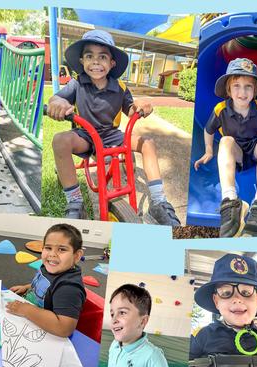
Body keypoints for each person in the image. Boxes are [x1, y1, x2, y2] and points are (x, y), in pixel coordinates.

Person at [47, 30, 179, 226]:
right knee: (60, 140)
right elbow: (57, 97)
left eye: (103, 57)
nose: (96, 61)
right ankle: (75, 202)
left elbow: (131, 110)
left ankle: (159, 201)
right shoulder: (77, 84)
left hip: (111, 135)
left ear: (112, 63)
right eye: (89, 56)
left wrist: (141, 105)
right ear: (82, 61)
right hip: (86, 135)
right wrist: (56, 102)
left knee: (148, 143)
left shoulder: (120, 87)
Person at [194, 58, 257, 237]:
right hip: (236, 153)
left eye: (248, 86)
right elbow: (209, 130)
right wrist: (209, 150)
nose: (242, 92)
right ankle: (230, 201)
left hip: (256, 149)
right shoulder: (220, 109)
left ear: (255, 91)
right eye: (237, 86)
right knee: (225, 141)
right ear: (229, 90)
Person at [7, 223, 86, 338]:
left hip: (44, 332)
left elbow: (64, 328)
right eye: (48, 248)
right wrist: (27, 287)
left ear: (77, 256)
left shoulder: (69, 288)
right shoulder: (49, 267)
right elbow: (46, 286)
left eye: (62, 249)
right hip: (28, 314)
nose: (52, 254)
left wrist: (26, 310)